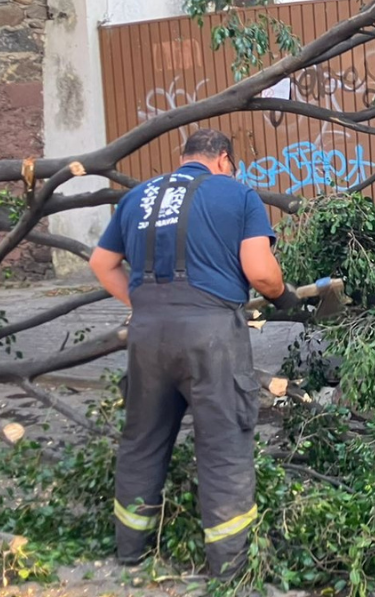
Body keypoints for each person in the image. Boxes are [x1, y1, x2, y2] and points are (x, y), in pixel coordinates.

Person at [87, 129, 300, 580]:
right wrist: (285, 297)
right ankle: (229, 568)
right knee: (223, 444)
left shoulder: (138, 197)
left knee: (142, 439)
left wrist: (145, 306)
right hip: (211, 339)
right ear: (224, 159)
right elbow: (261, 274)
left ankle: (130, 552)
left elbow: (101, 265)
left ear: (182, 157)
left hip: (147, 336)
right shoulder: (238, 195)